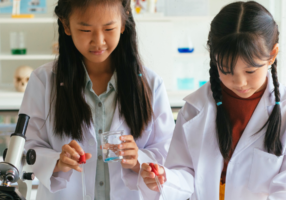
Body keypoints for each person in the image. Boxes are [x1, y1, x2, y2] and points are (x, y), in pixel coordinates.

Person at [19, 0, 175, 199]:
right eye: (85, 30)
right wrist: (57, 161)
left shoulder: (150, 84)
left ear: (123, 22)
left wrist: (138, 160)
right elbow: (27, 147)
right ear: (66, 25)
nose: (98, 41)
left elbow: (168, 152)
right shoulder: (43, 81)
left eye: (109, 28)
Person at [139, 1, 286, 200]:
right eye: (227, 70)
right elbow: (185, 173)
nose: (240, 82)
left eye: (250, 71)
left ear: (272, 54)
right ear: (214, 59)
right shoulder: (195, 109)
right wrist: (164, 178)